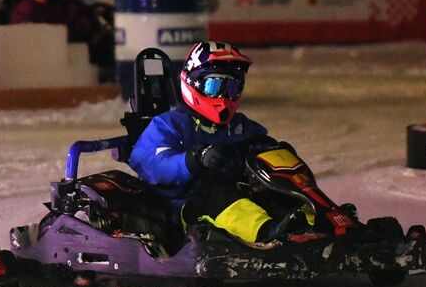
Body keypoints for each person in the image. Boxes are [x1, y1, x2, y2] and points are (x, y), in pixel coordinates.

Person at [129, 41, 303, 246]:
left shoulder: (241, 127)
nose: (224, 96)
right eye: (215, 86)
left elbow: (260, 149)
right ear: (193, 83)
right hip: (183, 207)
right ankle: (267, 233)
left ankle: (311, 224)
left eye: (232, 87)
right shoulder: (168, 125)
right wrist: (194, 159)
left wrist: (277, 155)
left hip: (236, 195)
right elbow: (152, 165)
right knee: (218, 197)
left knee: (276, 192)